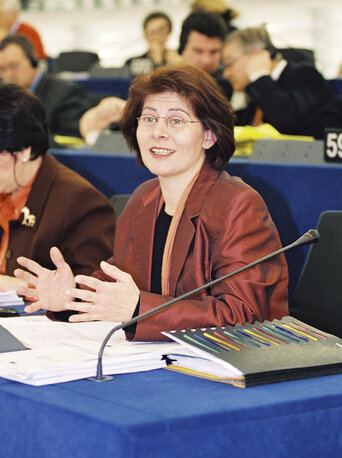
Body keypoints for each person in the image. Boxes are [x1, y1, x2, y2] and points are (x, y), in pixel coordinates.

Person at [15, 66, 288, 341]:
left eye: (176, 121)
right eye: (148, 119)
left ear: (209, 135)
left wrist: (138, 309)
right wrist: (70, 296)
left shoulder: (238, 205)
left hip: (234, 367)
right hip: (162, 358)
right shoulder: (143, 200)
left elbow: (245, 316)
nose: (158, 132)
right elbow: (118, 283)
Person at [0, 82, 115, 292]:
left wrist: (21, 286)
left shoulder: (82, 204)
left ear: (24, 151)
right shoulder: (7, 184)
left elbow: (94, 291)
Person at [79, 11, 232, 143]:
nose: (206, 60)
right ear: (182, 50)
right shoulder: (141, 66)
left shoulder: (228, 83)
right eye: (198, 51)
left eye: (214, 52)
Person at [222, 26, 342, 139]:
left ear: (257, 56)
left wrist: (259, 77)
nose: (226, 73)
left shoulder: (306, 75)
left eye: (229, 63)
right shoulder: (254, 89)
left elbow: (286, 121)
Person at [0, 35, 90, 138]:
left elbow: (72, 141)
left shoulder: (65, 92)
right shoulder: (4, 96)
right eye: (2, 69)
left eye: (14, 66)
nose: (8, 75)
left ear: (33, 61)